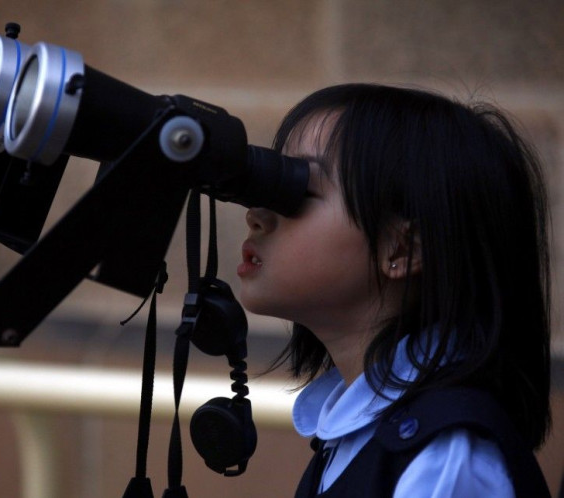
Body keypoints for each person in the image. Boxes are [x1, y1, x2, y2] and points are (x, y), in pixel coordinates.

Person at [236, 83, 552, 496]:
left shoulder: (445, 458)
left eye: (298, 189)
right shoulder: (358, 436)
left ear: (401, 248)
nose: (257, 215)